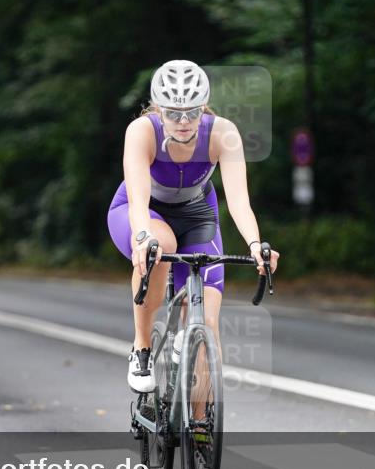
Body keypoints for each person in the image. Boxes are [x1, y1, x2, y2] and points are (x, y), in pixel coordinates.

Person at [106, 59, 279, 395]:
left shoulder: (222, 133)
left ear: (204, 106)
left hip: (197, 214)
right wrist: (142, 238)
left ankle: (200, 422)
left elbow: (239, 201)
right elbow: (139, 202)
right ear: (159, 109)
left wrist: (256, 245)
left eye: (193, 112)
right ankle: (142, 348)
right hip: (142, 211)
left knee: (207, 325)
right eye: (173, 113)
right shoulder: (142, 131)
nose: (184, 122)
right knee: (161, 244)